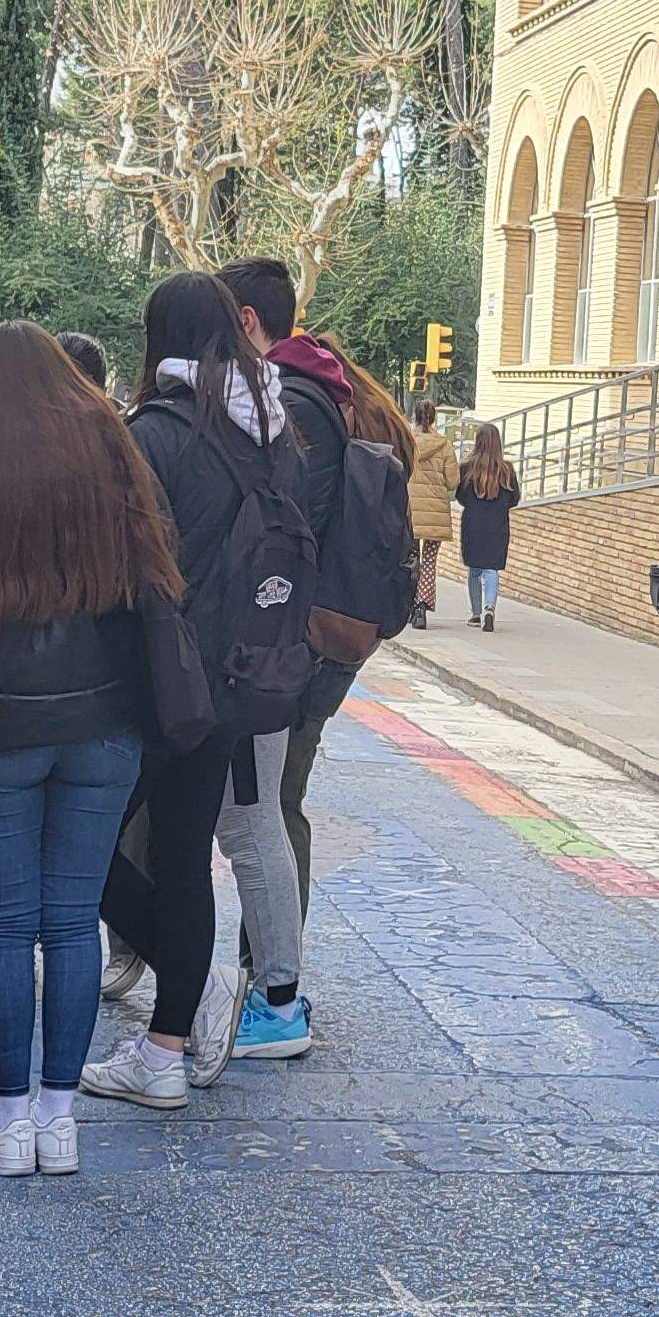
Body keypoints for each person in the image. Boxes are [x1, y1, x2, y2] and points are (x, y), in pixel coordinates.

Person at [0, 322, 178, 1176]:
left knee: (8, 925)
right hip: (103, 721)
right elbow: (161, 576)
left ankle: (7, 1122)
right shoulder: (112, 456)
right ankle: (61, 1121)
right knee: (72, 917)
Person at [94, 271, 287, 1106]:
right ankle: (167, 1049)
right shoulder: (272, 429)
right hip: (237, 680)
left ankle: (190, 982)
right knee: (182, 856)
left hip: (153, 678)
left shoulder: (154, 435)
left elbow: (116, 566)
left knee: (81, 847)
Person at [209, 262, 360, 1063]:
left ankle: (276, 991)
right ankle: (270, 980)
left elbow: (274, 531)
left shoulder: (287, 402)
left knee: (262, 812)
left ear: (243, 318)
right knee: (265, 810)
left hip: (274, 647)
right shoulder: (314, 389)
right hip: (291, 643)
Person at [456, 423, 518, 628]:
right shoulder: (507, 470)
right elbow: (514, 499)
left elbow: (460, 497)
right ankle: (489, 608)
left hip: (473, 524)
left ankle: (475, 613)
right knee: (491, 570)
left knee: (474, 570)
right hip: (497, 525)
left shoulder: (467, 467)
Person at [408, 397, 458, 629]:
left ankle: (407, 604)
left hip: (410, 510)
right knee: (429, 560)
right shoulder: (444, 444)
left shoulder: (407, 441)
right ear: (434, 418)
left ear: (415, 416)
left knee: (410, 559)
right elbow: (453, 481)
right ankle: (422, 606)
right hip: (436, 511)